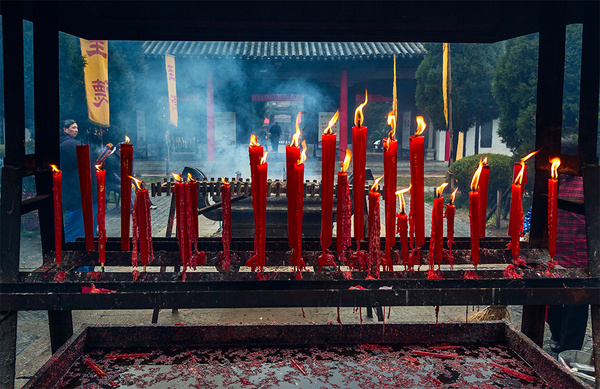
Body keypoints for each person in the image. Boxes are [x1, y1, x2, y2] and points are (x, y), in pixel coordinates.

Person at [547, 137, 588, 353]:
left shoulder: (587, 185)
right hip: (554, 258)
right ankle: (556, 334)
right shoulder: (555, 183)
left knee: (576, 307)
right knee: (551, 302)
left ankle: (570, 350)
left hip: (580, 259)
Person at [60, 119, 98, 242]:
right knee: (84, 231)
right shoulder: (72, 145)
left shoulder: (67, 145)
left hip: (80, 194)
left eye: (76, 127)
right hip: (86, 193)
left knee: (78, 234)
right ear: (64, 129)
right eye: (73, 128)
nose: (76, 130)